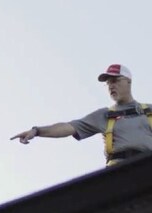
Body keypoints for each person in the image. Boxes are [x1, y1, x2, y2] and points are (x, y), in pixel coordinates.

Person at [11, 64, 152, 166]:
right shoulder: (105, 115)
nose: (111, 86)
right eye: (108, 83)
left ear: (129, 82)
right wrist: (37, 131)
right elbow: (68, 127)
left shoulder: (149, 111)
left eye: (115, 81)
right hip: (118, 173)